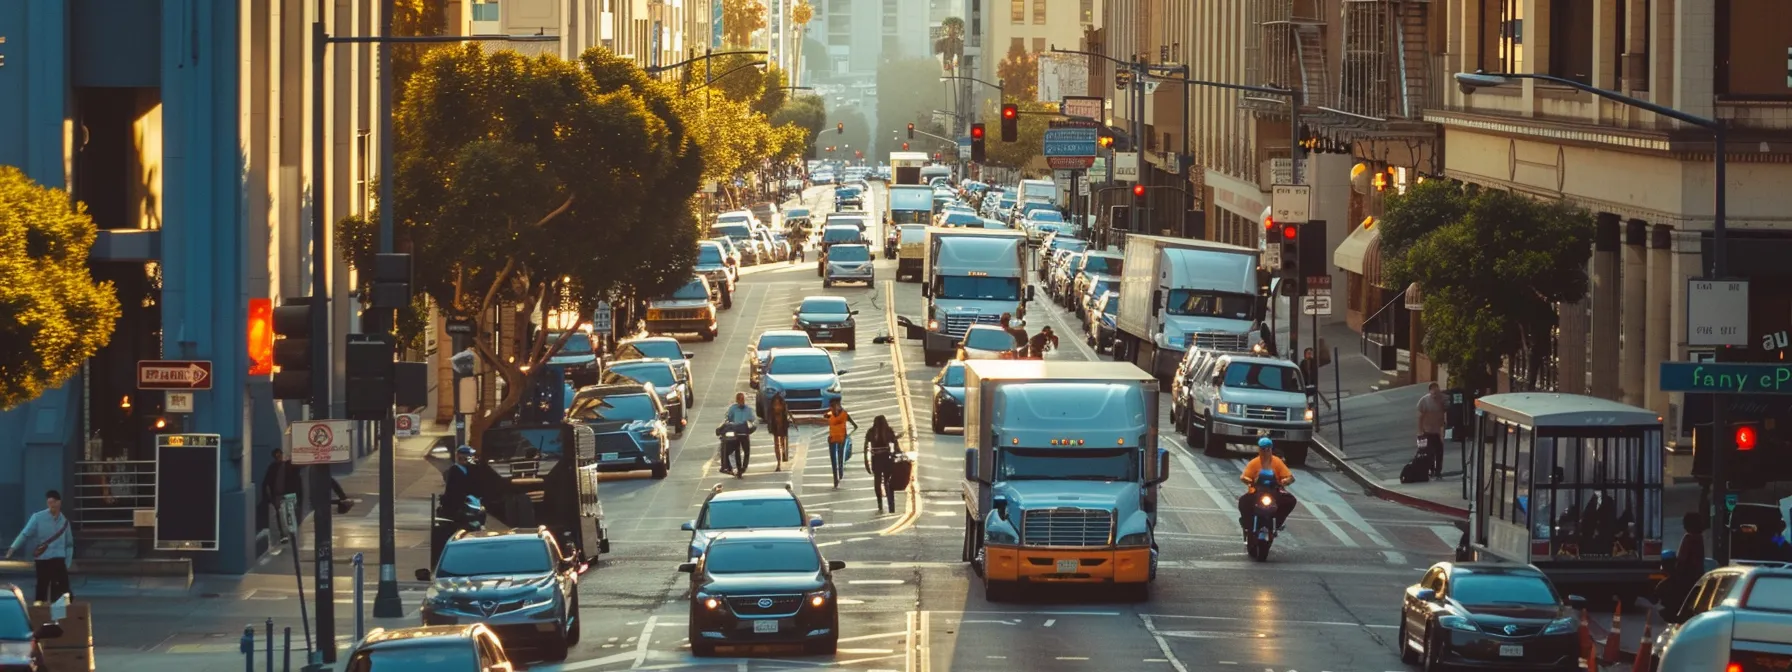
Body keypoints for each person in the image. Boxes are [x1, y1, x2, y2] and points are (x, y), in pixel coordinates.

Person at [5, 490, 74, 605]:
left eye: (53, 502)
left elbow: (69, 544)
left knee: (63, 588)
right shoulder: (38, 517)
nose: (51, 506)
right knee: (42, 584)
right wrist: (13, 548)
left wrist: (67, 563)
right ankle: (39, 609)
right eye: (49, 503)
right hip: (43, 558)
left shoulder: (64, 522)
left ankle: (62, 611)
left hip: (59, 558)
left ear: (59, 503)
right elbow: (25, 534)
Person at [1237, 438, 1298, 539]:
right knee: (1243, 502)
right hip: (1256, 491)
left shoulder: (1277, 462)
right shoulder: (1254, 462)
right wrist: (1249, 480)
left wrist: (1285, 481)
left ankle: (1278, 522)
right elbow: (1244, 476)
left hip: (1274, 491)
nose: (1265, 452)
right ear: (1259, 449)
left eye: (1268, 449)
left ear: (1271, 449)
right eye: (1263, 449)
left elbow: (1289, 476)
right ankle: (1246, 523)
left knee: (1290, 501)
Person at [261, 448, 303, 543]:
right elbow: (266, 483)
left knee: (288, 513)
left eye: (279, 454)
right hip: (279, 495)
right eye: (277, 455)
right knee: (281, 514)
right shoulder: (274, 467)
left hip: (287, 494)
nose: (279, 457)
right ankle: (284, 534)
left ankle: (289, 532)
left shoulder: (289, 466)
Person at [863, 415, 903, 514]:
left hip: (876, 459)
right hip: (886, 458)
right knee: (887, 481)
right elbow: (895, 444)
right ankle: (890, 504)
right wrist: (898, 454)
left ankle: (880, 503)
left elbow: (865, 447)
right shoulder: (888, 431)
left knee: (877, 480)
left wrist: (866, 462)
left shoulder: (871, 432)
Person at [823, 398, 859, 488]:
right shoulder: (830, 414)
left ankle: (841, 475)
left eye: (834, 406)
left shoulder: (844, 414)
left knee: (840, 458)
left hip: (842, 439)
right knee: (833, 461)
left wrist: (848, 435)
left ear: (839, 406)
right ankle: (835, 479)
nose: (832, 409)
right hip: (832, 439)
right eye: (831, 407)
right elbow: (825, 416)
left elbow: (855, 426)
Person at [1416, 383, 1449, 477]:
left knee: (1439, 451)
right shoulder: (1424, 401)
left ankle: (1438, 470)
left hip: (1438, 431)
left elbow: (1446, 411)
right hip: (1427, 430)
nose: (1436, 394)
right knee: (1429, 452)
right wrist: (1420, 431)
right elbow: (1420, 417)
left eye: (1437, 392)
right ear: (1430, 391)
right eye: (1434, 392)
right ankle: (1431, 469)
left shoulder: (1442, 399)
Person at [441, 445, 482, 518]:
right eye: (469, 455)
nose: (471, 457)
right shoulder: (454, 470)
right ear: (461, 456)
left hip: (468, 503)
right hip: (457, 506)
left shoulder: (469, 469)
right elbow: (455, 489)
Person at [722, 392, 757, 477]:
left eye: (743, 399)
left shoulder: (748, 409)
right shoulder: (733, 409)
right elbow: (728, 418)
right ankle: (738, 468)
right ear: (737, 400)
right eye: (740, 399)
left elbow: (753, 420)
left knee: (746, 451)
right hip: (736, 432)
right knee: (736, 451)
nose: (742, 401)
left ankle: (744, 467)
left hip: (744, 432)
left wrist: (750, 427)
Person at [767, 392, 793, 471]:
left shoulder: (784, 416)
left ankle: (784, 454)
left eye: (779, 404)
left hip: (782, 428)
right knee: (777, 445)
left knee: (782, 443)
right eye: (775, 405)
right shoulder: (772, 417)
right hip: (776, 429)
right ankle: (778, 462)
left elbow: (788, 415)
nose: (777, 407)